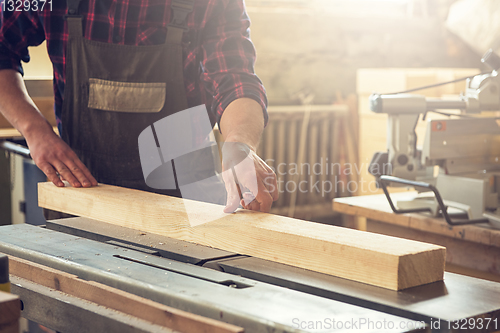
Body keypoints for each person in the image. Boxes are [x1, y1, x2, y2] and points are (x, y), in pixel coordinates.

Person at [0, 0, 278, 213]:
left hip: (187, 197)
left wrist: (239, 143)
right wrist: (34, 129)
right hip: (83, 193)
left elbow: (235, 81)